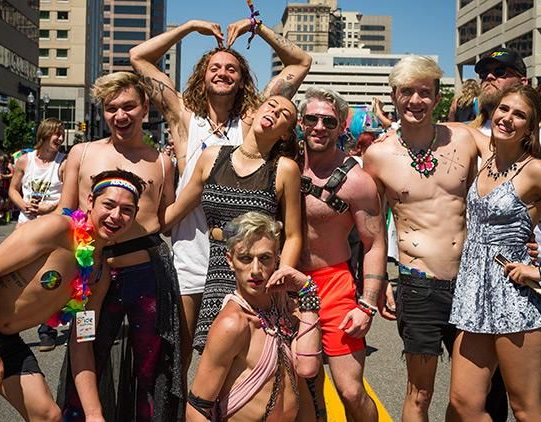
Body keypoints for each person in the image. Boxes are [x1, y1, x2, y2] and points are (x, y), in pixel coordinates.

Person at [129, 17, 311, 372]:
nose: (223, 73)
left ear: (242, 79)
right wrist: (189, 28)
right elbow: (138, 57)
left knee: (235, 356)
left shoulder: (254, 119)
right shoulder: (185, 117)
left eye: (231, 68)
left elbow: (301, 62)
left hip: (241, 257)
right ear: (203, 74)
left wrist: (258, 29)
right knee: (180, 355)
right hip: (190, 251)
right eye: (215, 67)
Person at [0, 169, 145, 422]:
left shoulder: (99, 276)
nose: (116, 216)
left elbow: (82, 341)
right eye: (108, 205)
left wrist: (94, 414)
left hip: (3, 334)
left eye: (127, 210)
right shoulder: (56, 228)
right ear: (90, 201)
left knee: (47, 416)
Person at [447, 85, 541, 422]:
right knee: (463, 403)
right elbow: (454, 128)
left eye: (519, 115)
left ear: (531, 128)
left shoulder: (537, 171)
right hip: (474, 292)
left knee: (526, 409)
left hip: (516, 296)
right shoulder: (486, 157)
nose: (507, 118)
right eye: (504, 109)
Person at [56, 71, 182, 421]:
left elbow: (166, 220)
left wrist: (198, 188)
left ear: (145, 108)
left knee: (150, 366)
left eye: (128, 106)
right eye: (111, 108)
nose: (120, 115)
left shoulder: (161, 162)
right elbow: (65, 214)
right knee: (86, 352)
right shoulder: (82, 153)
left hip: (147, 275)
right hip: (92, 276)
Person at [363, 56, 482, 422]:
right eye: (407, 92)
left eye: (425, 92)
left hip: (471, 283)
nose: (416, 100)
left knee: (468, 398)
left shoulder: (463, 139)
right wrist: (378, 282)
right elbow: (373, 231)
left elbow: (504, 186)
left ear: (437, 97)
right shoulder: (378, 155)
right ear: (394, 96)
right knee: (420, 394)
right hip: (419, 286)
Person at [162, 94, 302, 355]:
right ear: (255, 112)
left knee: (253, 353)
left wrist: (282, 280)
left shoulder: (285, 169)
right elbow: (175, 212)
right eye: (271, 105)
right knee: (214, 355)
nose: (275, 111)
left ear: (285, 134)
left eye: (284, 114)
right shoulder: (212, 157)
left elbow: (293, 235)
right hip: (218, 266)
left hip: (257, 273)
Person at [294, 87, 394, 421]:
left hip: (334, 285)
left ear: (341, 127)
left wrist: (367, 304)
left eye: (329, 121)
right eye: (312, 119)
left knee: (351, 391)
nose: (319, 126)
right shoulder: (284, 165)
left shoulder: (357, 181)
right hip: (289, 285)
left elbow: (374, 243)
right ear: (301, 122)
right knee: (304, 385)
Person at [187, 212, 322, 421]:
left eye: (265, 258)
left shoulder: (284, 306)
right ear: (230, 261)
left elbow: (307, 369)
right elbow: (197, 408)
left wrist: (307, 291)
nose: (256, 270)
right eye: (246, 258)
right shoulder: (233, 324)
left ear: (277, 257)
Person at [9, 117, 68, 352]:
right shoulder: (25, 161)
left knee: (50, 280)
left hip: (51, 231)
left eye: (62, 134)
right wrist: (23, 204)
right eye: (57, 134)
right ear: (44, 134)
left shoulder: (63, 164)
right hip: (25, 228)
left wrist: (48, 208)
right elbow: (13, 189)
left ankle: (47, 330)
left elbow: (69, 197)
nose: (60, 138)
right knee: (16, 279)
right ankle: (10, 326)